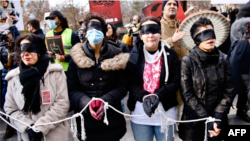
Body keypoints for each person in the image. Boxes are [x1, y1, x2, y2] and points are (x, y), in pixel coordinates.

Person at [67, 13, 129, 141]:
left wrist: (105, 101)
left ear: (104, 31)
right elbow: (71, 88)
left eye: (98, 28)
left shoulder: (117, 54)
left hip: (112, 119)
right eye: (91, 28)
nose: (94, 32)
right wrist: (86, 102)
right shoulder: (76, 57)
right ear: (86, 31)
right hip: (85, 120)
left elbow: (123, 85)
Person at [4, 34, 73, 141]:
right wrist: (28, 127)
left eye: (30, 49)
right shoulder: (13, 78)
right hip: (27, 136)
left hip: (56, 135)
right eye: (22, 50)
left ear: (40, 51)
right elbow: (10, 109)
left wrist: (41, 127)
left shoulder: (55, 73)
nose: (26, 53)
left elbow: (62, 104)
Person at [179, 17, 234, 141]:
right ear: (195, 38)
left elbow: (229, 89)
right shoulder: (188, 61)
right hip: (194, 123)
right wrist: (206, 118)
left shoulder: (224, 59)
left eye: (212, 33)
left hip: (219, 121)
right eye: (204, 34)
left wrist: (219, 115)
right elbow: (187, 94)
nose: (210, 37)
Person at [127, 17, 180, 141]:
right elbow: (130, 82)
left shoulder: (171, 54)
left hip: (166, 114)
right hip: (140, 115)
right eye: (146, 31)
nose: (150, 35)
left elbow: (175, 82)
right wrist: (143, 96)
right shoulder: (134, 55)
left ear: (160, 34)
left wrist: (158, 95)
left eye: (154, 31)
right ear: (140, 35)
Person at [161, 0, 189, 120]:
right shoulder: (157, 26)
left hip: (185, 70)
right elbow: (153, 46)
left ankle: (180, 125)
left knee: (184, 99)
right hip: (166, 73)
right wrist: (171, 40)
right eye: (169, 4)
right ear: (163, 9)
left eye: (175, 4)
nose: (172, 6)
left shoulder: (184, 25)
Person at [228, 1, 250, 122]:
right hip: (237, 66)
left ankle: (240, 111)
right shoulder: (241, 33)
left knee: (243, 91)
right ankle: (222, 115)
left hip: (243, 65)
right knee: (233, 89)